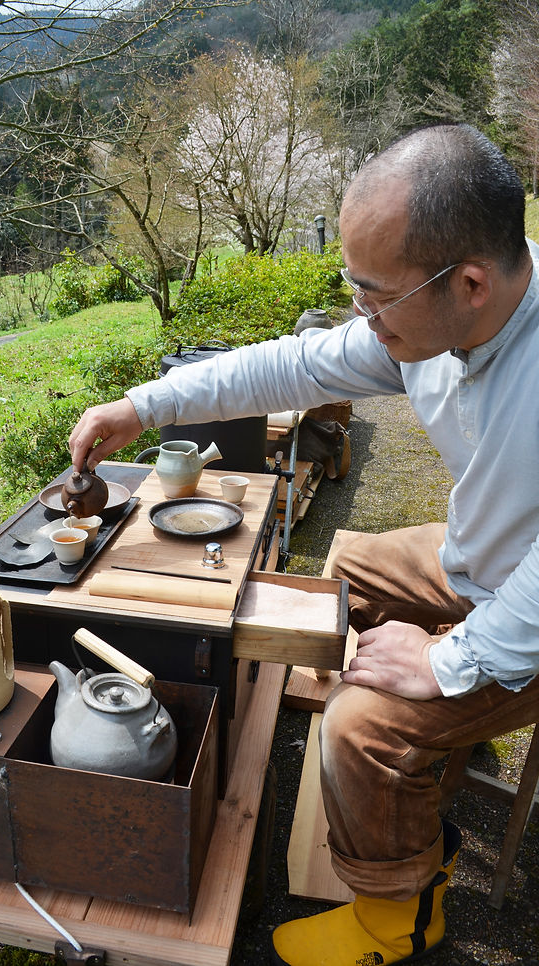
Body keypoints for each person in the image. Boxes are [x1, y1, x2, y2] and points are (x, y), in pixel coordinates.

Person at [69, 123, 539, 966]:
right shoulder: (438, 324)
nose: (362, 315)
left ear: (467, 282)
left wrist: (447, 662)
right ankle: (440, 751)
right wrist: (144, 406)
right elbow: (296, 366)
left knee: (361, 724)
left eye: (374, 295)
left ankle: (399, 917)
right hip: (490, 556)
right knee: (345, 568)